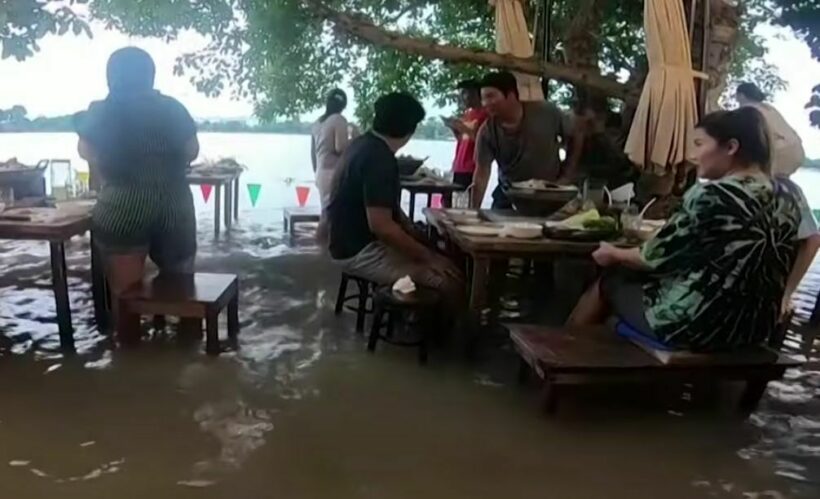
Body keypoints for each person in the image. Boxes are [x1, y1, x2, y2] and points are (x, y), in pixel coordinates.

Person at [567, 107, 802, 352]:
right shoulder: (791, 195)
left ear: (731, 147)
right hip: (756, 328)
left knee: (611, 280)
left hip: (700, 326)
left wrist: (613, 253)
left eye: (700, 144)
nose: (693, 155)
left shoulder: (712, 193)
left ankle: (564, 356)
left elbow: (652, 258)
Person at [75, 47, 199, 342]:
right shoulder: (172, 107)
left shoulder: (101, 110)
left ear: (110, 76)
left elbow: (86, 150)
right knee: (182, 288)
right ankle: (189, 352)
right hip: (174, 205)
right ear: (150, 75)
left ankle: (128, 356)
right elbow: (192, 150)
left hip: (122, 207)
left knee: (124, 296)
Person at [326, 92, 463, 299]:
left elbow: (385, 208)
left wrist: (413, 233)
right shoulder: (379, 158)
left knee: (436, 253)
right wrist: (430, 258)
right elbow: (382, 227)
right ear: (410, 129)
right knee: (449, 279)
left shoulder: (362, 144)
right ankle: (441, 330)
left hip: (342, 243)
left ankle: (417, 320)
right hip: (360, 251)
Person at [472, 71, 570, 208]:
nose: (485, 103)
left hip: (549, 193)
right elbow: (482, 172)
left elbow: (574, 137)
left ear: (511, 95)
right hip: (510, 194)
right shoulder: (487, 132)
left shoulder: (547, 112)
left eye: (490, 96)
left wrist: (567, 173)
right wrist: (473, 210)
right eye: (483, 98)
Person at [736, 82, 805, 176]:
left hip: (775, 155)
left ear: (740, 96)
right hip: (796, 153)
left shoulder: (747, 110)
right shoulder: (769, 108)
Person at [443, 80, 488, 189]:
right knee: (449, 199)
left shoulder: (485, 114)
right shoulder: (468, 113)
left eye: (464, 93)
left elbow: (481, 140)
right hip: (458, 165)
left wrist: (461, 126)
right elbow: (462, 139)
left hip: (472, 167)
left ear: (475, 94)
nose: (462, 97)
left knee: (464, 200)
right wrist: (454, 128)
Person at [311, 88, 352, 209]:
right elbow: (340, 148)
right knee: (338, 217)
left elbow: (313, 153)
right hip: (334, 174)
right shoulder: (339, 119)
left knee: (326, 214)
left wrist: (316, 173)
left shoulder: (317, 123)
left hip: (320, 173)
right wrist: (355, 140)